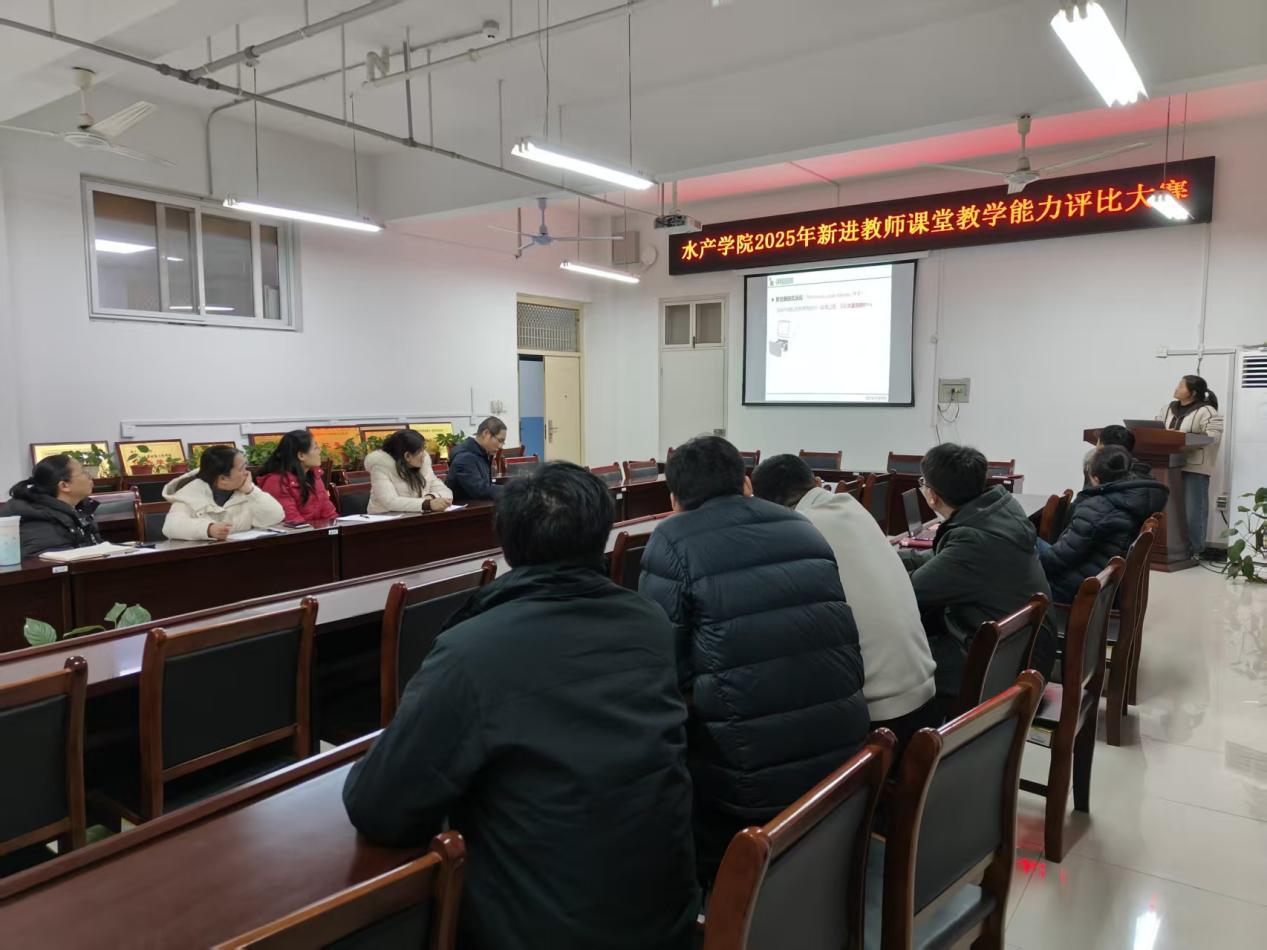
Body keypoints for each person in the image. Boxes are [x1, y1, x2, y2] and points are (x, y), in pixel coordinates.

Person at [344, 463, 698, 950]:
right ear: (602, 534)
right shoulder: (649, 621)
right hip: (665, 918)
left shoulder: (472, 650)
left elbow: (380, 807)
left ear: (506, 545)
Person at [638, 436, 868, 883]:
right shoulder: (802, 525)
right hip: (844, 758)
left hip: (751, 786)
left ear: (673, 500)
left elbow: (663, 665)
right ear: (746, 484)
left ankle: (716, 898)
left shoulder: (672, 539)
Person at [752, 454, 938, 746]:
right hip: (923, 690)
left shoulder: (798, 528)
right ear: (816, 483)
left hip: (878, 714)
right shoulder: (852, 508)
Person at [898, 443, 1054, 697]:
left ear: (932, 496)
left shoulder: (972, 541)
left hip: (1002, 668)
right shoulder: (998, 510)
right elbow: (937, 561)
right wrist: (890, 555)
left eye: (922, 482)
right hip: (1023, 650)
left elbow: (909, 591)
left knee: (897, 660)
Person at [1042, 446, 1169, 604]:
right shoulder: (1137, 497)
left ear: (1095, 479)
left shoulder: (1098, 508)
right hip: (1104, 578)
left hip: (1078, 586)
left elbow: (1060, 558)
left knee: (1020, 554)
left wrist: (1032, 563)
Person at [1158, 374, 1223, 559]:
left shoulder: (1207, 411)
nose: (1176, 388)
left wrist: (1181, 436)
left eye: (1181, 386)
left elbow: (1213, 436)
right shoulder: (1167, 409)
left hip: (1194, 467)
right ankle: (1171, 547)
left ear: (1192, 392)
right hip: (1168, 465)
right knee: (1168, 509)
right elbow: (1156, 429)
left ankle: (1195, 550)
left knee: (1194, 510)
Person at [162, 445, 284, 541]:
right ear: (223, 479)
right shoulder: (190, 493)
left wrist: (251, 491)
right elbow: (171, 526)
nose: (247, 473)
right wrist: (208, 529)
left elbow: (275, 517)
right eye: (242, 469)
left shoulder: (245, 490)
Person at [0, 454, 102, 559]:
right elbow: (55, 564)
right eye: (83, 472)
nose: (90, 476)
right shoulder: (40, 523)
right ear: (64, 486)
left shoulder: (78, 510)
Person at [256, 430, 338, 523]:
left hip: (317, 530)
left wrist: (337, 527)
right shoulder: (276, 482)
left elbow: (329, 513)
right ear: (301, 455)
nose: (320, 450)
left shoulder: (314, 475)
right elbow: (292, 522)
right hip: (299, 531)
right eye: (315, 448)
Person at [364, 429, 452, 514]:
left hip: (415, 517)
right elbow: (390, 502)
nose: (425, 454)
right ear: (407, 456)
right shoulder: (381, 467)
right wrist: (427, 504)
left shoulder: (423, 466)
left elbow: (446, 492)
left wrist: (431, 497)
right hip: (384, 519)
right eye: (420, 451)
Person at [445, 417, 507, 502]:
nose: (501, 446)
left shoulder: (481, 453)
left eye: (503, 442)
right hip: (466, 509)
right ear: (486, 433)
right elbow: (480, 490)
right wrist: (511, 490)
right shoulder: (464, 458)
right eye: (500, 440)